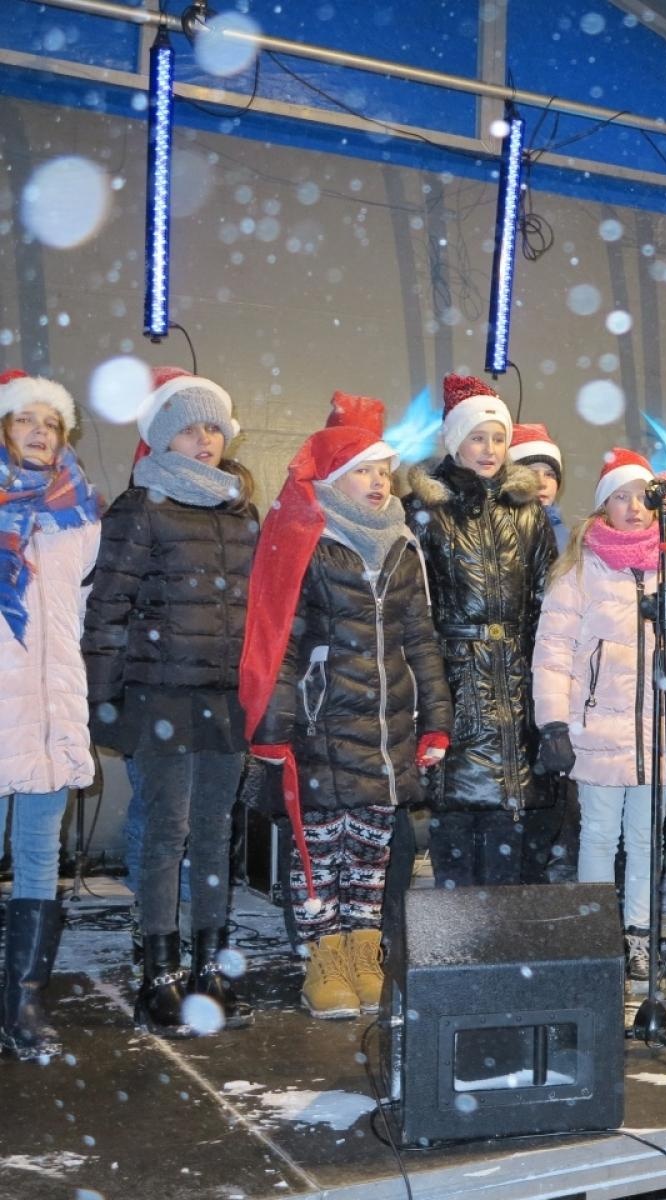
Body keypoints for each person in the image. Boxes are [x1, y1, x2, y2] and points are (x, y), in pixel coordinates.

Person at [240, 398, 452, 1019]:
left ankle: (364, 952)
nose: (379, 481)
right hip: (322, 725)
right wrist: (273, 727)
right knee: (318, 852)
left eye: (384, 470)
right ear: (333, 480)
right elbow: (279, 639)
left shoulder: (402, 545)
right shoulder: (308, 542)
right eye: (364, 470)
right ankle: (323, 960)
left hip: (387, 730)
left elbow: (421, 639)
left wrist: (436, 721)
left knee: (372, 853)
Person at [82, 366, 256, 1035]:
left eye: (212, 425)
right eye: (188, 427)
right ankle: (158, 974)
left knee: (216, 835)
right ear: (162, 438)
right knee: (166, 834)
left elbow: (260, 615)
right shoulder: (141, 508)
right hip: (160, 694)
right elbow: (108, 611)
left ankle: (210, 969)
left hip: (225, 699)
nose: (204, 438)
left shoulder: (242, 511)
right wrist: (104, 701)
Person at [531, 449, 666, 982]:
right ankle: (595, 936)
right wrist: (553, 723)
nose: (634, 508)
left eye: (642, 496)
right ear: (602, 508)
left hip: (660, 728)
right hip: (598, 727)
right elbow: (552, 651)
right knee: (597, 836)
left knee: (646, 839)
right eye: (621, 497)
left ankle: (639, 935)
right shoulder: (580, 571)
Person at [405, 376, 558, 889]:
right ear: (454, 441)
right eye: (477, 438)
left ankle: (500, 942)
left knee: (507, 812)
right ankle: (455, 943)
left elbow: (546, 600)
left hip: (514, 677)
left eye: (498, 438)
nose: (489, 450)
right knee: (454, 811)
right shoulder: (427, 511)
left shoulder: (528, 511)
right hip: (454, 675)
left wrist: (543, 683)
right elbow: (415, 601)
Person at [0, 370, 101, 1062]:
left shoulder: (82, 517)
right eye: (24, 421)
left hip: (51, 706)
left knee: (41, 857)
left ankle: (23, 1002)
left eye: (52, 424)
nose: (40, 433)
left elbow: (82, 615)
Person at [510, 422, 568, 552]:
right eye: (532, 473)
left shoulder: (568, 542)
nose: (542, 483)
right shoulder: (492, 529)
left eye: (550, 474)